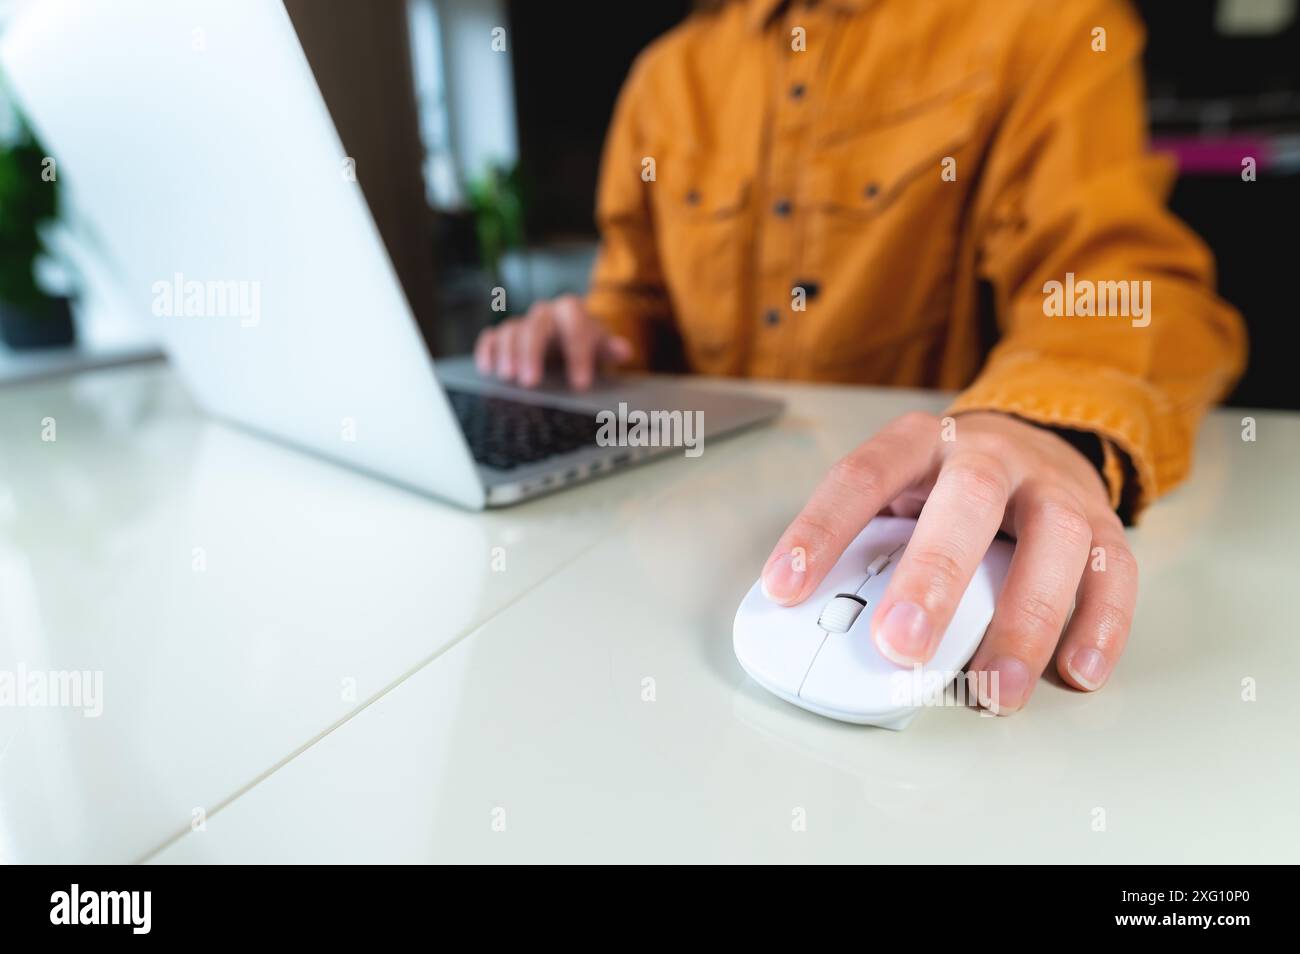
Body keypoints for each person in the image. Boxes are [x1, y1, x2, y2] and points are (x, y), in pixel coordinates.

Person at [473, 0, 1246, 712]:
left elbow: (1119, 281)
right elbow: (638, 295)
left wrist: (1041, 419)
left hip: (927, 509)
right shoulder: (666, 77)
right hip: (691, 544)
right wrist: (592, 335)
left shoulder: (1044, 25)